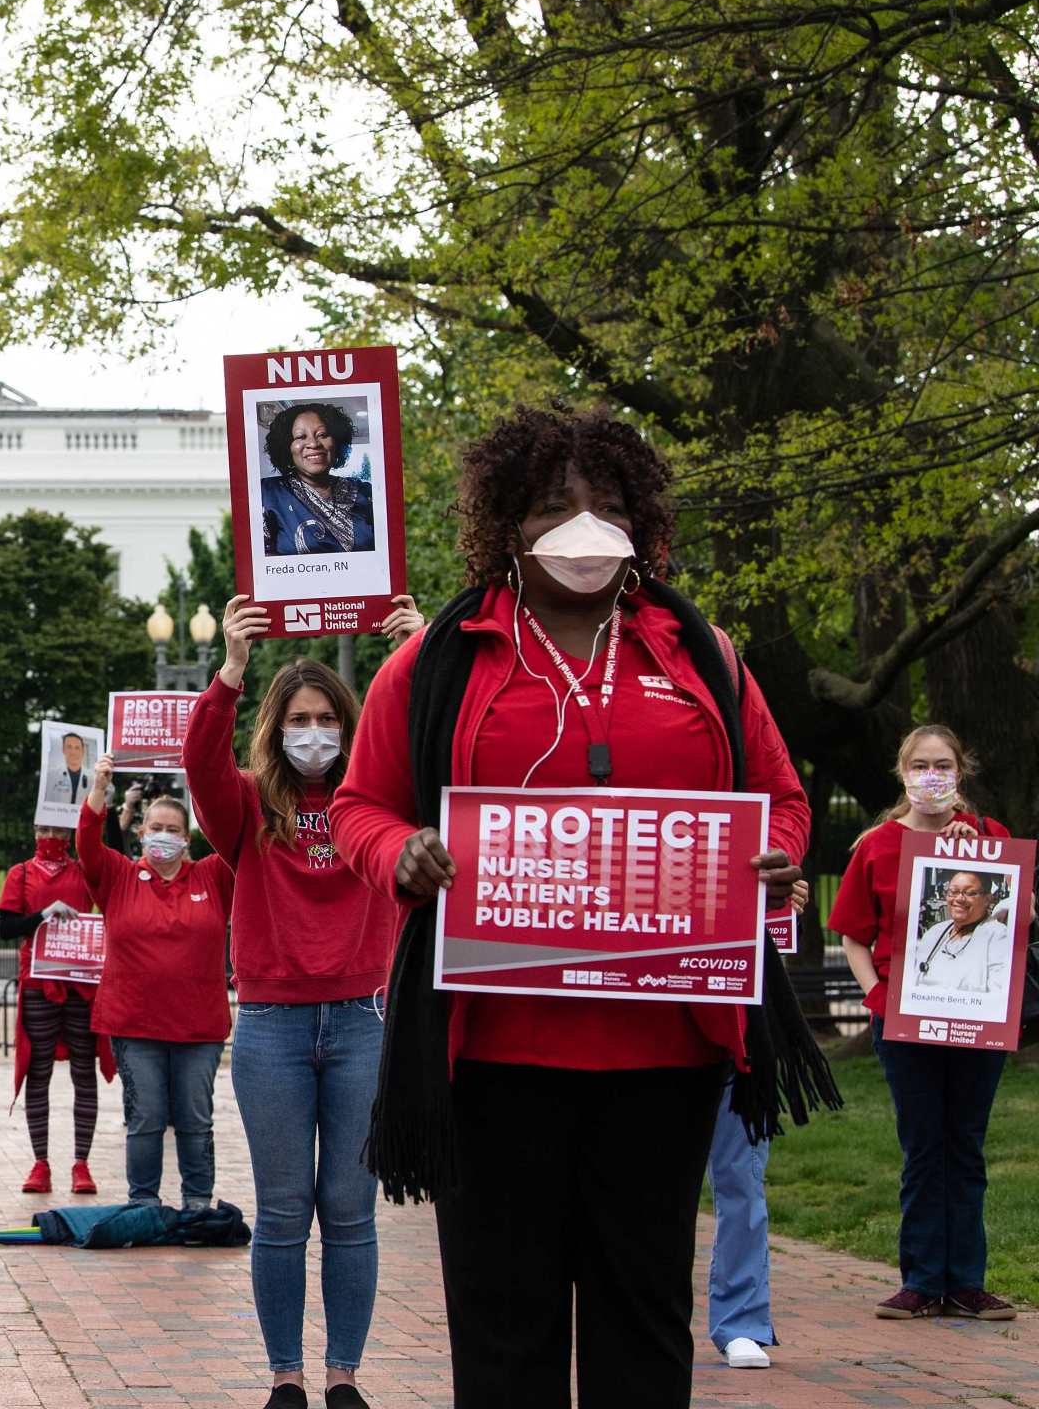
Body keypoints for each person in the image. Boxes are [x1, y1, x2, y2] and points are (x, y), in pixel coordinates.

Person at [332, 402, 831, 1409]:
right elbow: (359, 806)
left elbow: (778, 795)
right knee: (503, 1326)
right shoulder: (434, 661)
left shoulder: (703, 657)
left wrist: (777, 850)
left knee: (642, 1317)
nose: (584, 528)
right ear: (508, 524)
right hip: (491, 1053)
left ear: (642, 523)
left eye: (607, 506)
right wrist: (401, 853)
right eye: (555, 507)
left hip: (664, 1051)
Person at [190, 592, 419, 1409]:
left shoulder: (377, 807)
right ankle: (286, 1372)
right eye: (299, 718)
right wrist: (231, 670)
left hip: (362, 1023)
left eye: (327, 715)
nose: (313, 730)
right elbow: (201, 767)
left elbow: (444, 756)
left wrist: (417, 655)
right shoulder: (248, 806)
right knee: (284, 1210)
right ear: (276, 727)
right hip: (271, 1031)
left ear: (349, 724)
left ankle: (343, 1373)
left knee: (351, 1210)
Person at [827, 725, 1018, 1321]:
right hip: (904, 1019)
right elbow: (854, 937)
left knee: (964, 1146)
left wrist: (974, 855)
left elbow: (1022, 917)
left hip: (977, 1019)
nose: (932, 775)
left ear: (961, 771)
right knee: (922, 1147)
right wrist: (878, 994)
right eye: (921, 765)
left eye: (943, 765)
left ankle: (966, 1283)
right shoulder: (878, 845)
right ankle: (920, 1281)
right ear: (902, 772)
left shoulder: (992, 838)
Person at [74, 754, 234, 1209]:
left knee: (195, 1119)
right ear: (141, 833)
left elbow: (243, 839)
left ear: (187, 839)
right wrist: (101, 785)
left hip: (198, 1027)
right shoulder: (119, 875)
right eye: (155, 828)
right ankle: (143, 1204)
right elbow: (86, 843)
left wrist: (217, 778)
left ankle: (197, 1204)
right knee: (145, 1118)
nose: (163, 836)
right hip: (136, 1025)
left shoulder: (212, 875)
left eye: (173, 830)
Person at [705, 875, 812, 1372]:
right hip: (649, 1032)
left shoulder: (744, 813)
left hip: (740, 1035)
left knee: (742, 1181)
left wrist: (779, 893)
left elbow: (787, 815)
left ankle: (742, 1322)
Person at [0, 824, 110, 1195]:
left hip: (80, 980)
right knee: (39, 1070)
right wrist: (43, 914)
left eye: (57, 828)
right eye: (43, 827)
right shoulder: (22, 873)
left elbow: (112, 886)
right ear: (32, 830)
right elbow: (6, 926)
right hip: (38, 982)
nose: (50, 835)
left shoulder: (83, 870)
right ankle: (40, 1162)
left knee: (84, 1070)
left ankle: (82, 1162)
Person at [257, 403, 373, 556]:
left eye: (322, 435)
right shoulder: (267, 494)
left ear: (336, 443)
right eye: (300, 437)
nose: (314, 444)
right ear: (286, 447)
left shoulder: (365, 492)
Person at [905, 871, 1017, 1003]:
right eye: (953, 892)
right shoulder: (935, 932)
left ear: (988, 899)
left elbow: (997, 998)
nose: (959, 898)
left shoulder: (999, 936)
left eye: (970, 893)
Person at [50, 732, 90, 805]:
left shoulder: (93, 778)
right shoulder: (51, 775)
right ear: (63, 750)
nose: (73, 752)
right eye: (69, 747)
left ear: (83, 752)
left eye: (77, 748)